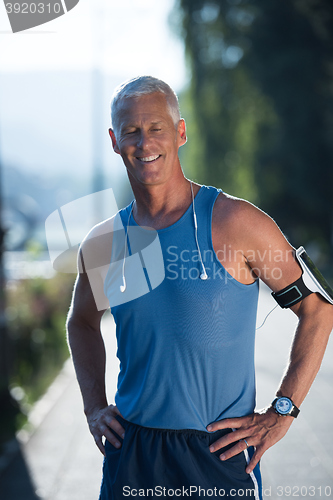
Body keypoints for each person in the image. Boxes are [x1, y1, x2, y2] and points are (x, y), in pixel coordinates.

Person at [66, 76, 333, 500]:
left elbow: (318, 309)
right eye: (131, 131)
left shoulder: (238, 223)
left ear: (180, 132)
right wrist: (94, 406)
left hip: (217, 456)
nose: (145, 141)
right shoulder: (104, 244)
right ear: (115, 141)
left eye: (156, 127)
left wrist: (283, 410)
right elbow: (80, 323)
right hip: (131, 453)